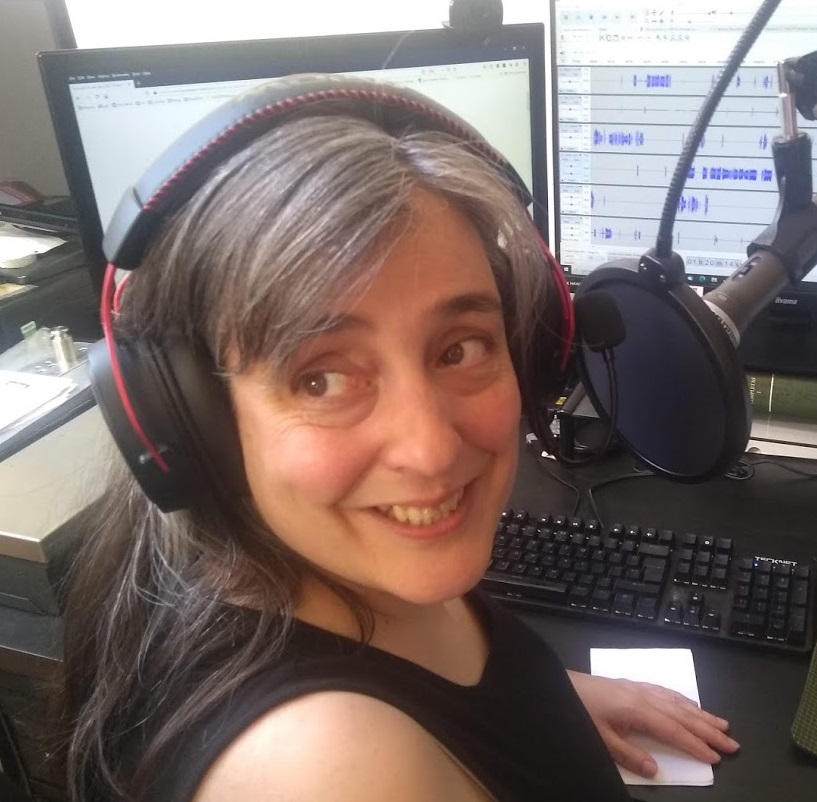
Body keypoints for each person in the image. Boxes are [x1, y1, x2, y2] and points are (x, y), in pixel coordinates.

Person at [59, 76, 739, 801]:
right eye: (321, 379)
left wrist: (545, 701)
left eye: (460, 348)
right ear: (193, 417)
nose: (431, 449)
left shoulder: (321, 573)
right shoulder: (337, 771)